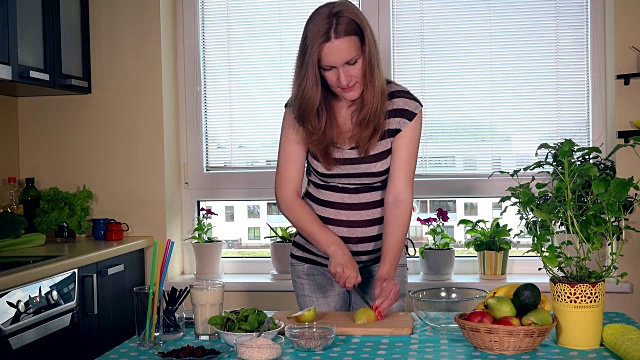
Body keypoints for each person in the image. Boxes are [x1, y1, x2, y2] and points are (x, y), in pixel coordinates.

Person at [274, 0, 422, 320]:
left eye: (351, 62)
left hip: (382, 262)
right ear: (314, 68)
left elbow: (398, 197)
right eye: (329, 68)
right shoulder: (301, 110)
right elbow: (286, 194)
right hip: (315, 264)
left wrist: (385, 273)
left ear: (367, 52)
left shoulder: (404, 110)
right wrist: (335, 248)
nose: (343, 79)